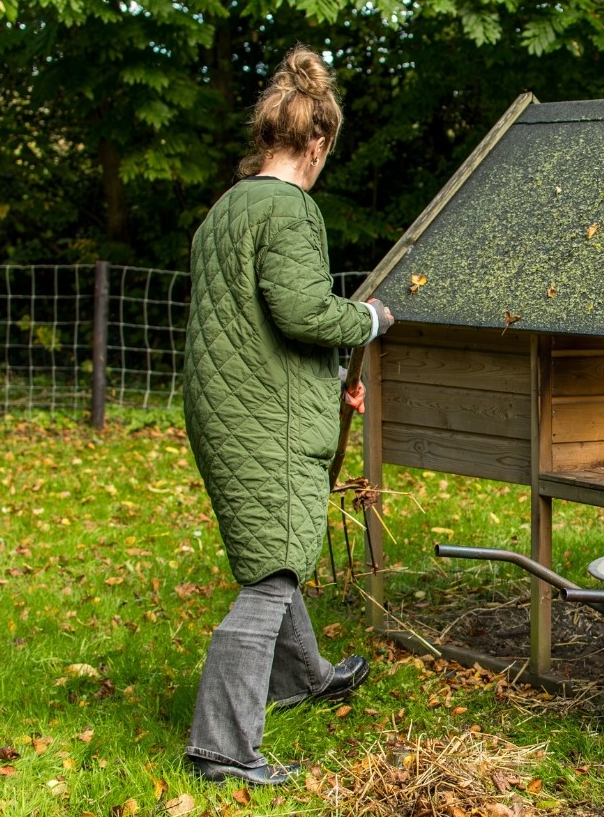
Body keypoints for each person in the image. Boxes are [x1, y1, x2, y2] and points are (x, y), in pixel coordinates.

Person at [182, 44, 394, 786]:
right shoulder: (291, 208)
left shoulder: (228, 210)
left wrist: (328, 381)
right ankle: (221, 747)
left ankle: (304, 677)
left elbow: (251, 330)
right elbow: (302, 311)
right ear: (316, 144)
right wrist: (367, 320)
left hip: (232, 409)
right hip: (260, 422)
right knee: (271, 574)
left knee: (283, 548)